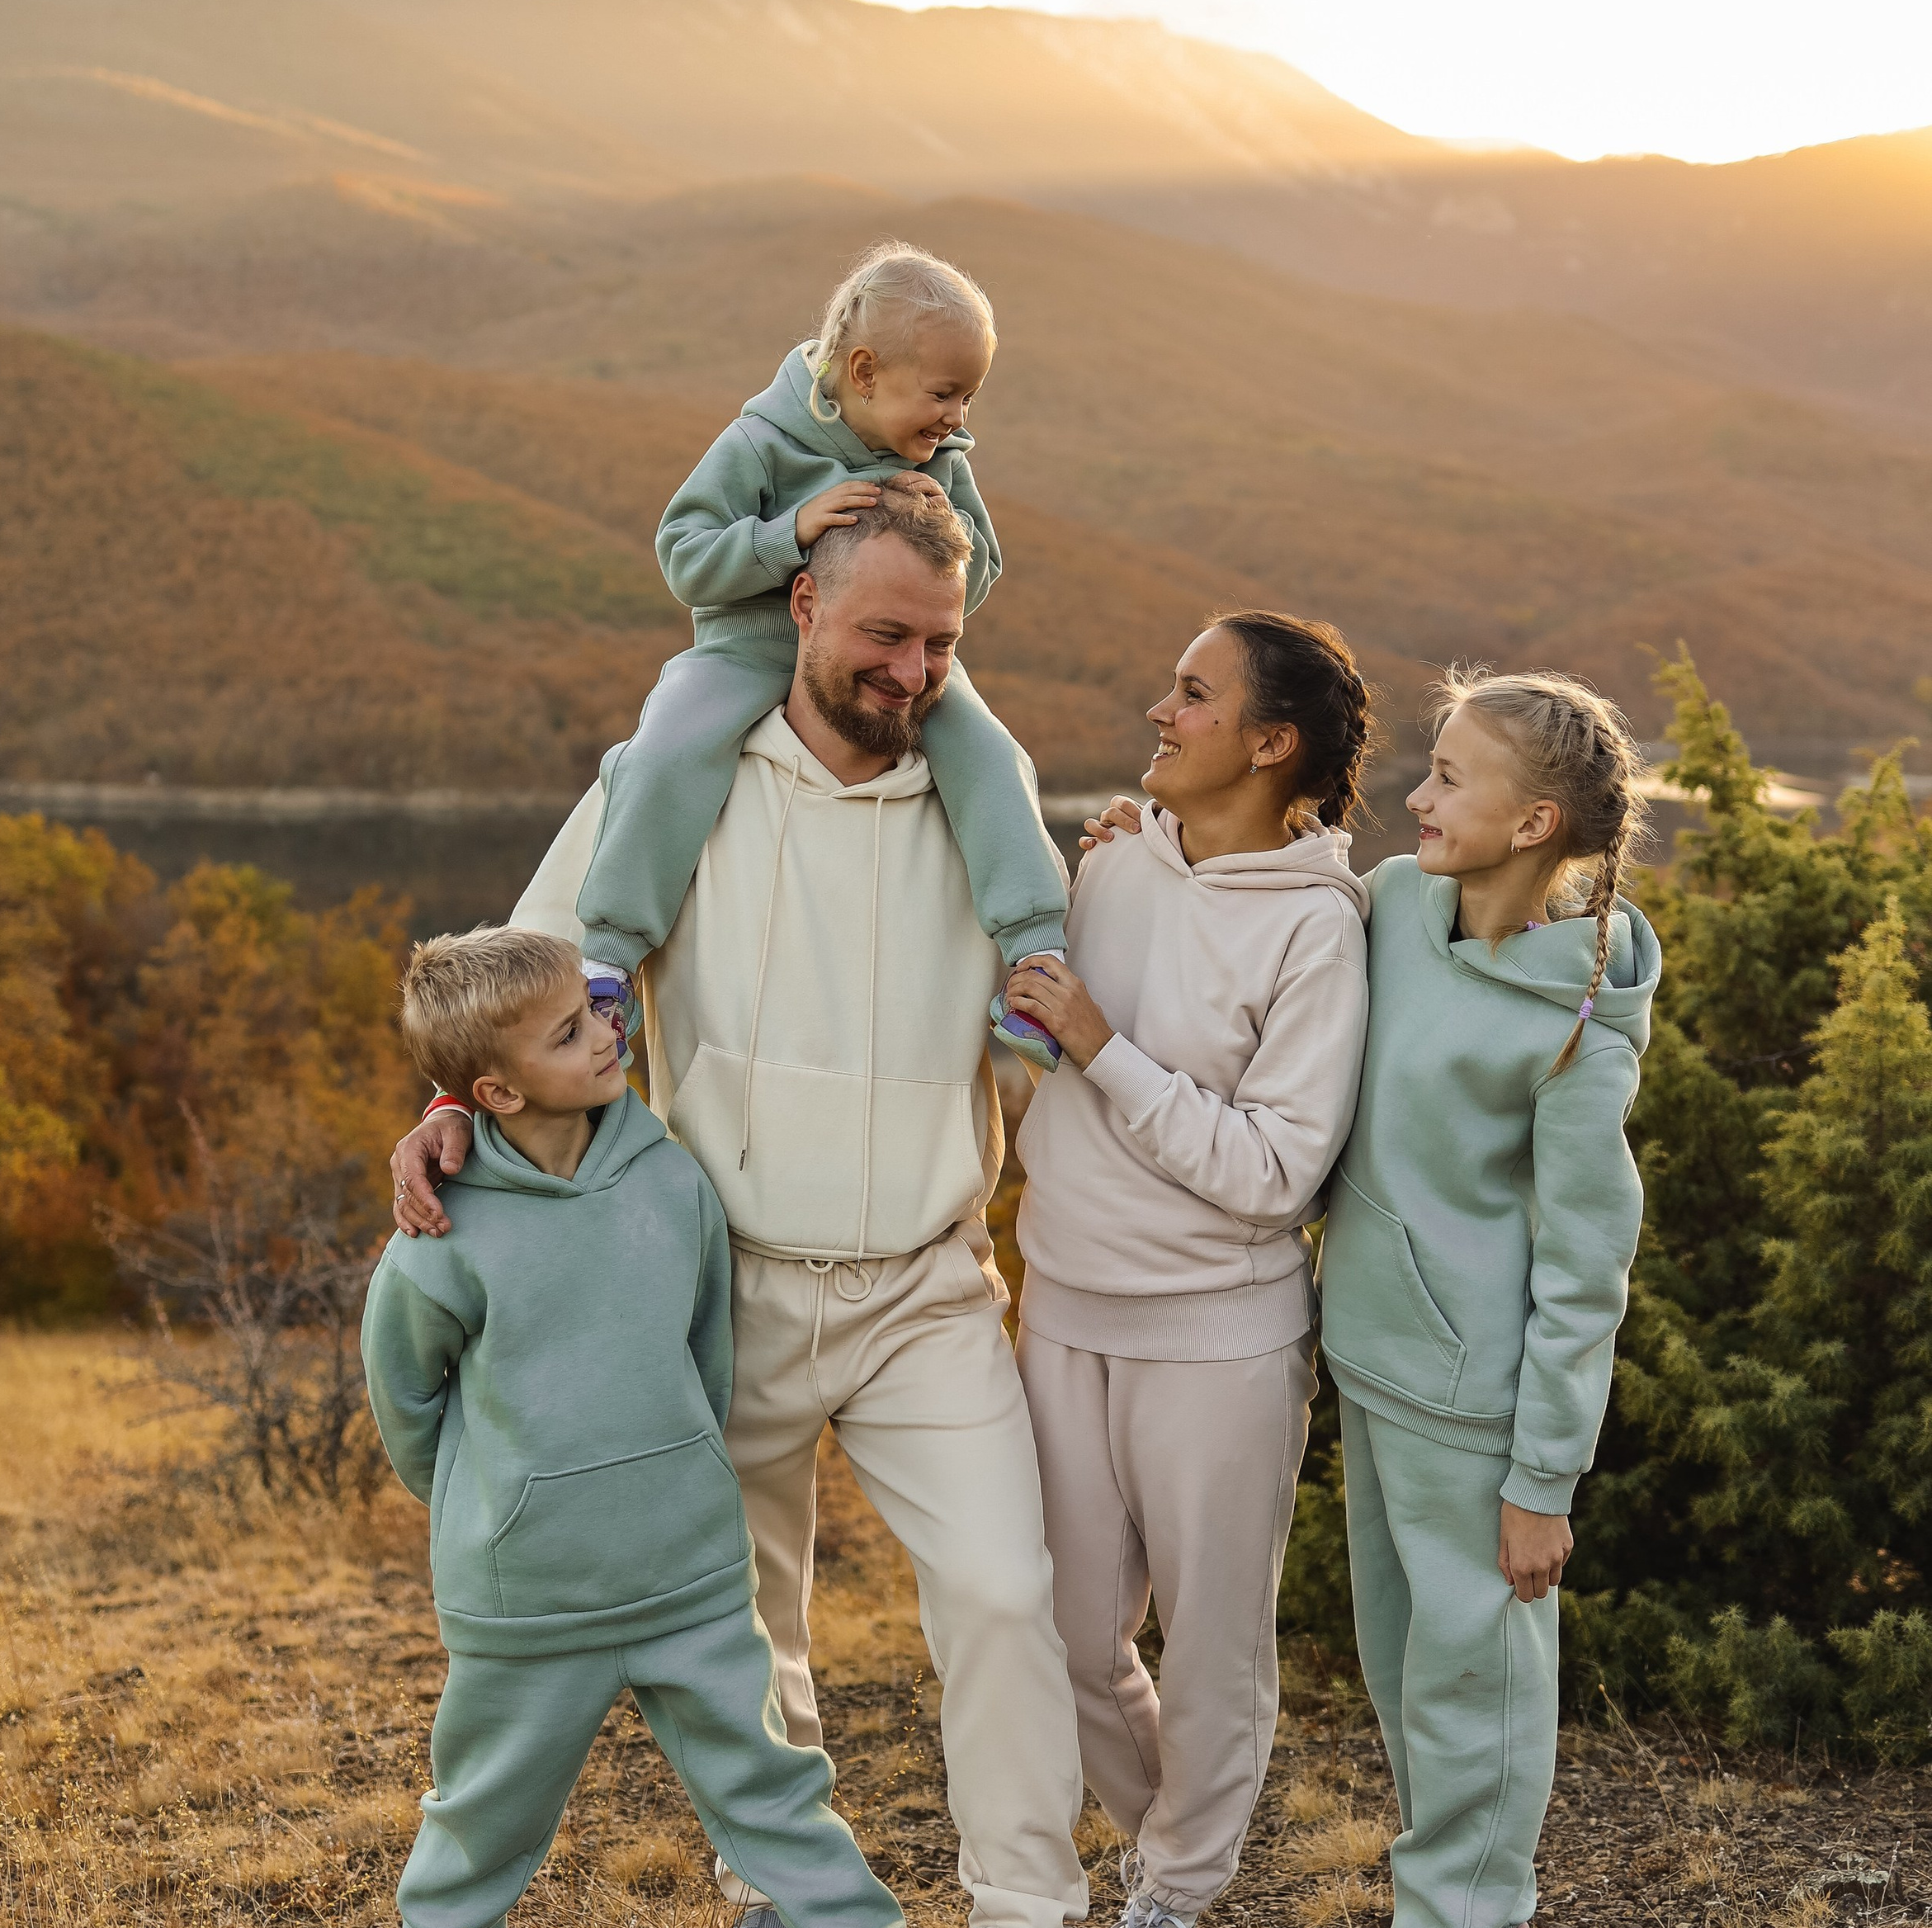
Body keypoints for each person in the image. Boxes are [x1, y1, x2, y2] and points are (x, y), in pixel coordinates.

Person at [390, 483, 1089, 1928]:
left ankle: (1029, 1902)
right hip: (724, 1284)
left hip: (927, 1286)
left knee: (1004, 1595)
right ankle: (776, 1889)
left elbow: (1057, 1003)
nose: (912, 672)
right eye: (885, 634)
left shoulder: (982, 800)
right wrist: (454, 1108)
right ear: (803, 604)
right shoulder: (673, 777)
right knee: (752, 1617)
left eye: (942, 644)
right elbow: (518, 988)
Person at [363, 927, 905, 1928]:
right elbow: (407, 1401)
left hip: (688, 1574)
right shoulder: (442, 1235)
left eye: (595, 1010)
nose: (608, 1033)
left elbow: (704, 1354)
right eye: (569, 1033)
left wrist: (679, 1472)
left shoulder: (672, 1181)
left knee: (779, 1797)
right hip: (528, 1600)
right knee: (478, 1826)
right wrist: (497, 1501)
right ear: (497, 1092)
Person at [1008, 612, 1374, 1928]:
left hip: (1221, 1338)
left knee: (1214, 1653)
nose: (1161, 713)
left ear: (1271, 745)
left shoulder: (1318, 930)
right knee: (1066, 1640)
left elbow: (1277, 1172)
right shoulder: (1114, 861)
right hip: (1061, 1308)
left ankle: (1176, 1888)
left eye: (1193, 694)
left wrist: (1103, 1048)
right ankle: (1164, 1846)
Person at [1318, 668, 1660, 1928]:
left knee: (1479, 1705)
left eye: (1450, 778)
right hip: (1371, 1365)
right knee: (1407, 1684)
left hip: (1476, 1410)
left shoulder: (1578, 1026)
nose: (1416, 795)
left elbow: (1584, 1269)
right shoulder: (1393, 904)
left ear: (1533, 824)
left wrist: (1542, 1482)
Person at [572, 240, 1071, 1070]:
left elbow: (977, 577)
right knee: (664, 752)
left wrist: (942, 522)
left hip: (893, 670)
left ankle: (1036, 958)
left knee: (993, 756)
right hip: (744, 651)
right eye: (944, 393)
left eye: (970, 397)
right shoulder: (761, 442)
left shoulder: (943, 463)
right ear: (865, 372)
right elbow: (685, 556)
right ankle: (609, 963)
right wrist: (787, 533)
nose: (958, 418)